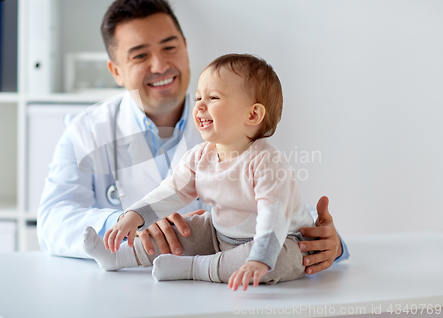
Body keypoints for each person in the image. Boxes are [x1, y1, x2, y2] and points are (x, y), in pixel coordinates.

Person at [37, 0, 349, 275]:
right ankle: (122, 257)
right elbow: (53, 218)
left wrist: (329, 242)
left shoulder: (235, 125)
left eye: (169, 47)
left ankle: (196, 267)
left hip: (224, 287)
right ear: (116, 70)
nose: (160, 65)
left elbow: (275, 202)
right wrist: (125, 224)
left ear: (185, 49)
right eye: (140, 55)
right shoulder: (86, 130)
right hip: (137, 293)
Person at [83, 53, 316, 291]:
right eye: (198, 97)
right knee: (184, 230)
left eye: (213, 97)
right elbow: (172, 191)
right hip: (221, 234)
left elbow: (273, 215)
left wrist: (259, 259)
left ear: (253, 115)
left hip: (281, 240)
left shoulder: (267, 161)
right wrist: (134, 216)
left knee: (275, 261)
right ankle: (117, 257)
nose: (200, 106)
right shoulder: (200, 156)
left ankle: (193, 268)